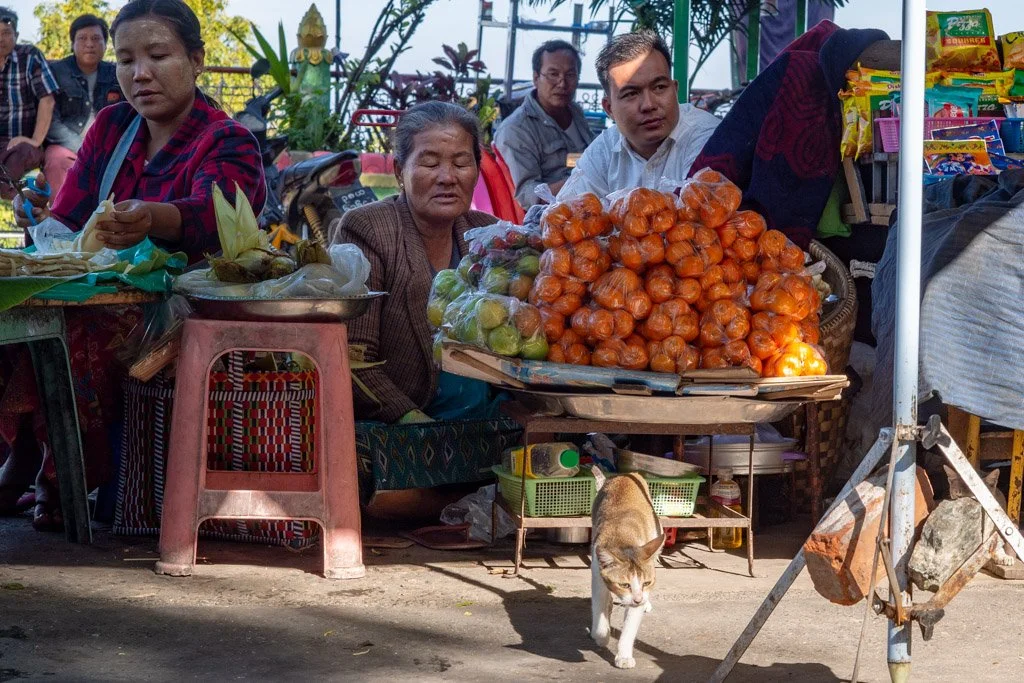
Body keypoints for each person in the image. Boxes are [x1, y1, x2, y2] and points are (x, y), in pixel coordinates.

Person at [1, 0, 266, 530]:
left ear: (197, 60)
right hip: (102, 294)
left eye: (158, 55)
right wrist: (41, 215)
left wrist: (153, 218)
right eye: (125, 60)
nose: (139, 73)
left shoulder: (228, 140)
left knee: (74, 334)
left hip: (179, 312)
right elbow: (74, 217)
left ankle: (60, 475)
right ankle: (29, 453)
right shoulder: (112, 126)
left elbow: (215, 216)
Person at [330, 101, 498, 425]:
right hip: (402, 431)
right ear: (399, 171)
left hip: (489, 426)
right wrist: (412, 421)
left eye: (461, 163)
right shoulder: (368, 230)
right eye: (430, 163)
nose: (447, 177)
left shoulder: (486, 234)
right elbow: (353, 356)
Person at [557, 30, 720, 201]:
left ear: (675, 90)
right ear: (609, 108)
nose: (649, 105)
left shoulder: (707, 137)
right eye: (631, 94)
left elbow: (705, 216)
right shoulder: (604, 151)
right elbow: (567, 215)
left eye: (659, 87)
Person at [494, 40, 596, 208]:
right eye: (553, 74)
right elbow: (527, 195)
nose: (562, 83)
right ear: (536, 78)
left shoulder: (574, 111)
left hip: (589, 206)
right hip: (554, 220)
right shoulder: (516, 129)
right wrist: (581, 182)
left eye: (570, 75)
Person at [45, 14, 123, 199]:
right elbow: (50, 120)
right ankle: (61, 221)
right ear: (73, 43)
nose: (90, 44)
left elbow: (126, 114)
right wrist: (82, 148)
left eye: (96, 38)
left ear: (105, 44)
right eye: (82, 38)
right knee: (56, 160)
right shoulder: (56, 72)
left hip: (108, 146)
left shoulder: (117, 73)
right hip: (67, 146)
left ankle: (110, 222)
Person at [0, 6, 58, 200]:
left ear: (16, 35)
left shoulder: (29, 56)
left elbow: (47, 98)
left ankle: (12, 190)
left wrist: (35, 140)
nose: (1, 39)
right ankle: (8, 186)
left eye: (6, 33)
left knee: (22, 155)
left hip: (22, 144)